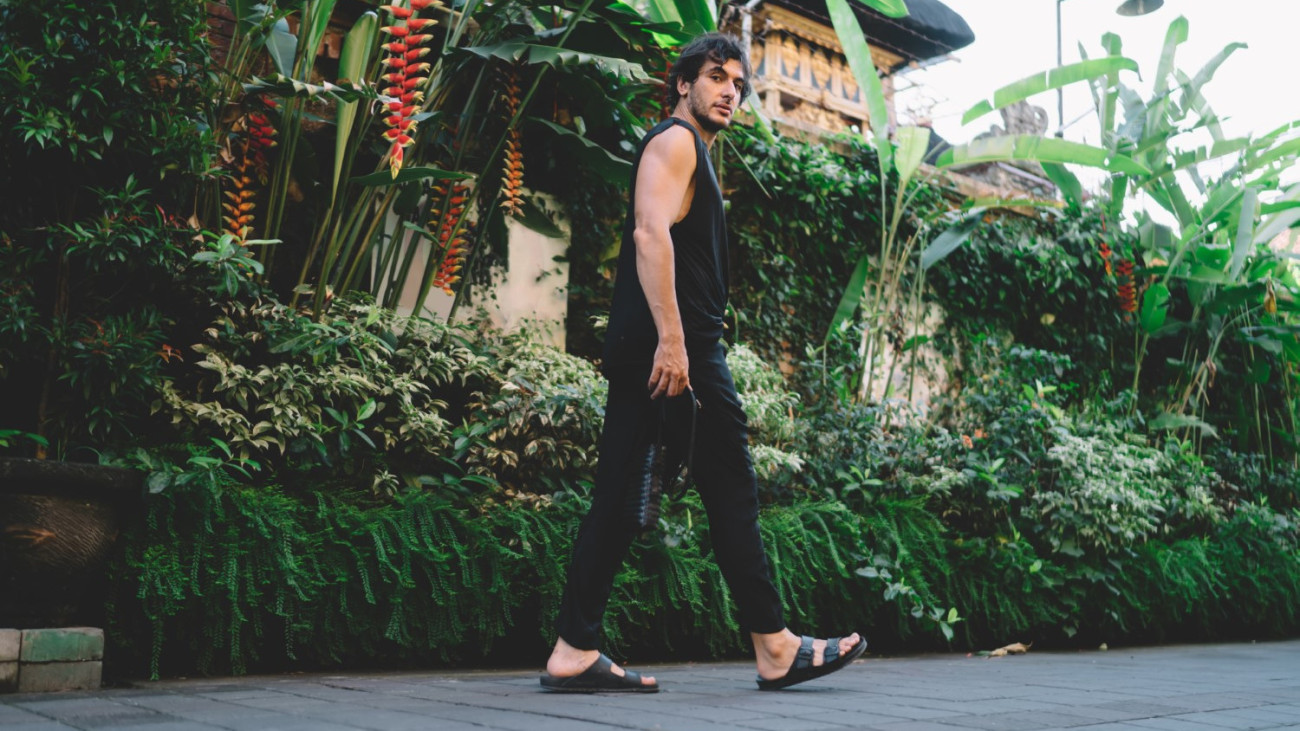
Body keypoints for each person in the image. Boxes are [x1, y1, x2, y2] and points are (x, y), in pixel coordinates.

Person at [540, 32, 865, 694]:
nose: (729, 90)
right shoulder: (676, 141)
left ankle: (574, 646)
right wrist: (674, 340)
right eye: (717, 76)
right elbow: (648, 232)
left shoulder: (689, 149)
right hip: (678, 355)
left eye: (739, 83)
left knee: (629, 496)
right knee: (730, 490)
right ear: (683, 83)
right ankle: (774, 645)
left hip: (662, 351)